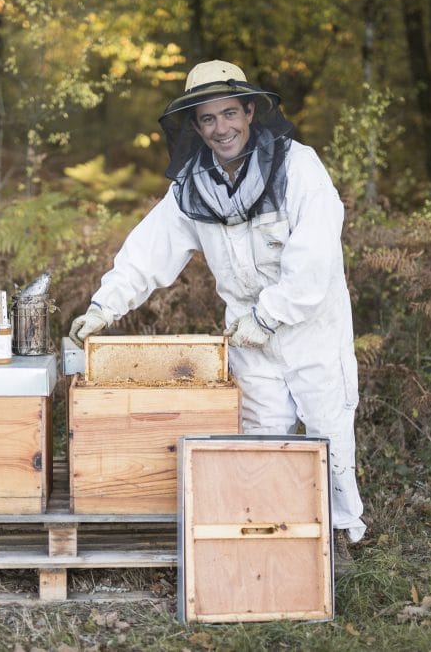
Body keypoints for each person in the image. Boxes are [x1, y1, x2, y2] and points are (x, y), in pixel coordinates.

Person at [68, 60, 366, 555]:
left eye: (229, 113)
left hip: (310, 327)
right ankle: (272, 538)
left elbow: (314, 259)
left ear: (250, 111)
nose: (221, 128)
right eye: (208, 119)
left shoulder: (298, 168)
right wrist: (104, 306)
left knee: (328, 432)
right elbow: (149, 249)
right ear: (195, 125)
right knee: (260, 440)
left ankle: (340, 539)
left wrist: (269, 316)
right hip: (248, 339)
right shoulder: (193, 185)